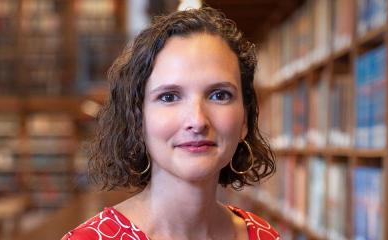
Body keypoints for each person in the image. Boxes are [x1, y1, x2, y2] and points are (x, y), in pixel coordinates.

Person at [63, 7, 278, 240]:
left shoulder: (263, 235)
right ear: (137, 118)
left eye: (219, 95)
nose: (197, 121)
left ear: (245, 119)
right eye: (169, 97)